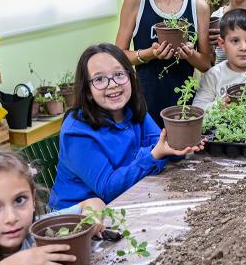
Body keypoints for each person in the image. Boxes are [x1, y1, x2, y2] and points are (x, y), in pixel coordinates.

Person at [49, 43, 202, 208]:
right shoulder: (77, 132)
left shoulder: (133, 110)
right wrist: (152, 155)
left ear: (131, 77)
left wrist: (179, 147)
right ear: (87, 91)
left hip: (130, 198)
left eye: (119, 74)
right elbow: (109, 189)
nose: (113, 84)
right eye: (99, 79)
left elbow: (162, 147)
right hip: (78, 220)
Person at [115, 0, 213, 116]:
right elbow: (118, 57)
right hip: (143, 106)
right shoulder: (136, 1)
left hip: (185, 106)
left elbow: (206, 63)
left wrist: (190, 55)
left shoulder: (198, 7)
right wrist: (150, 53)